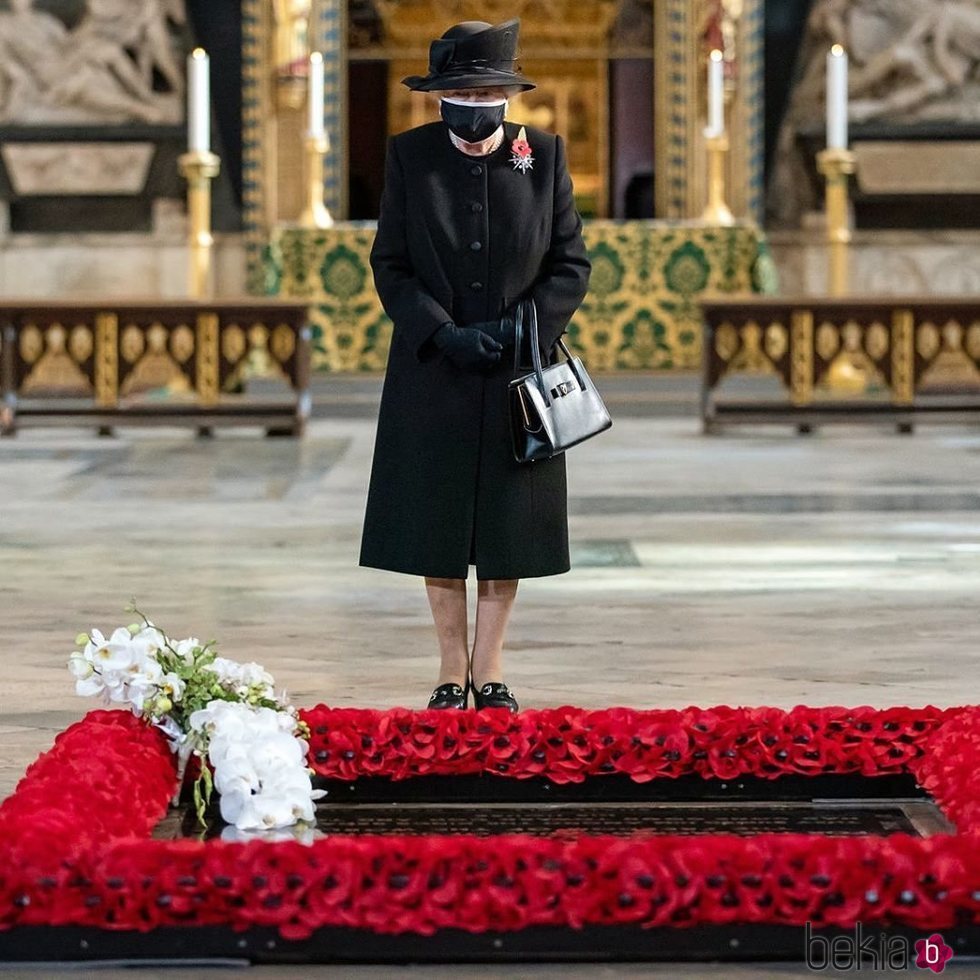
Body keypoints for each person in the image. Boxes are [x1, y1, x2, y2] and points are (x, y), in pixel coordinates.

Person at [359, 18, 591, 712]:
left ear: (507, 95)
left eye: (487, 89)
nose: (474, 101)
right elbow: (391, 264)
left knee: (506, 527)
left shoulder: (542, 155)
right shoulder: (411, 157)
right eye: (460, 90)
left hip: (519, 371)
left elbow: (570, 263)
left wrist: (523, 327)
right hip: (435, 371)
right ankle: (447, 670)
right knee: (436, 523)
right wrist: (444, 332)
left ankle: (488, 672)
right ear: (439, 98)